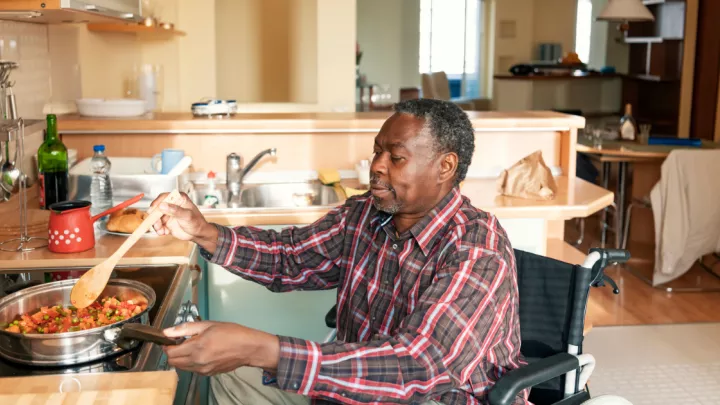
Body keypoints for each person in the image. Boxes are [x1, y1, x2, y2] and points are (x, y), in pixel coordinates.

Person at [150, 98, 528, 405]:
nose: (377, 166)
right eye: (377, 151)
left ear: (445, 167)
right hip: (352, 392)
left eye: (395, 158)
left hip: (433, 400)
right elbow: (290, 255)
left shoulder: (477, 248)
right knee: (230, 377)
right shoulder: (365, 213)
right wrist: (204, 233)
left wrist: (264, 349)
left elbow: (417, 365)